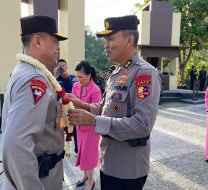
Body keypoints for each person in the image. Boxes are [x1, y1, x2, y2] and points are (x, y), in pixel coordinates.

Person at [68, 15, 160, 190]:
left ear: (130, 39)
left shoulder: (144, 73)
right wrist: (83, 105)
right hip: (108, 161)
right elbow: (106, 108)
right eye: (105, 40)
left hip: (127, 167)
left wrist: (94, 121)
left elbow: (142, 124)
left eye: (110, 39)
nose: (106, 45)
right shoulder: (118, 72)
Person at [2, 15, 68, 190]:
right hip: (40, 181)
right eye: (54, 41)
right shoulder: (34, 79)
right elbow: (17, 145)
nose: (58, 47)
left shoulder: (27, 71)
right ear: (38, 41)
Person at [72, 61, 102, 190]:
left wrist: (78, 103)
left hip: (91, 128)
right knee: (81, 152)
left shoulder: (95, 90)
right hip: (79, 126)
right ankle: (84, 175)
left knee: (89, 154)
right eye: (77, 76)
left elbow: (95, 110)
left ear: (89, 75)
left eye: (81, 77)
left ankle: (91, 181)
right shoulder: (76, 86)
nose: (78, 80)